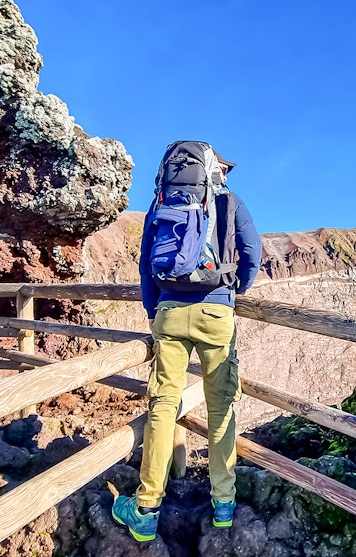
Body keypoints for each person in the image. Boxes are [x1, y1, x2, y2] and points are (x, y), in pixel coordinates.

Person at [112, 143, 262, 541]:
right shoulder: (230, 202)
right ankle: (224, 506)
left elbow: (146, 263)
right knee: (221, 409)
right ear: (217, 170)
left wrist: (151, 308)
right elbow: (252, 251)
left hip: (170, 311)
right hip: (217, 313)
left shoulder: (161, 201)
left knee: (162, 407)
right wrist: (234, 291)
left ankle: (145, 509)